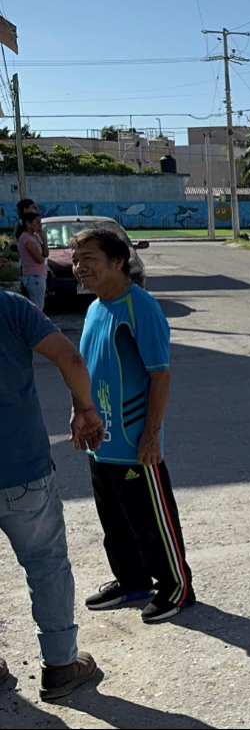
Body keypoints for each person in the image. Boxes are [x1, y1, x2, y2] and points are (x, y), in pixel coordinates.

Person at [71, 227, 195, 624]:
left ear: (117, 261)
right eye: (75, 260)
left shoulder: (139, 308)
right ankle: (131, 581)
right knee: (115, 522)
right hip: (99, 440)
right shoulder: (94, 309)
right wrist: (79, 411)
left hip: (132, 440)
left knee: (152, 521)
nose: (78, 268)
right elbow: (89, 369)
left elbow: (161, 376)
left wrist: (151, 435)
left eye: (88, 259)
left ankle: (177, 588)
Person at [0, 290, 102, 701]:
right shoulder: (11, 307)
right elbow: (71, 358)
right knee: (46, 565)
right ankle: (61, 667)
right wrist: (84, 408)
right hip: (22, 468)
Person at [18, 211, 49, 310]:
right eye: (37, 223)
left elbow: (46, 254)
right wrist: (42, 258)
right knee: (38, 306)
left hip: (39, 274)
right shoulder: (27, 238)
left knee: (38, 304)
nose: (39, 225)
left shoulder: (34, 237)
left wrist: (43, 237)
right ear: (28, 224)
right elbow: (40, 259)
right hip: (34, 276)